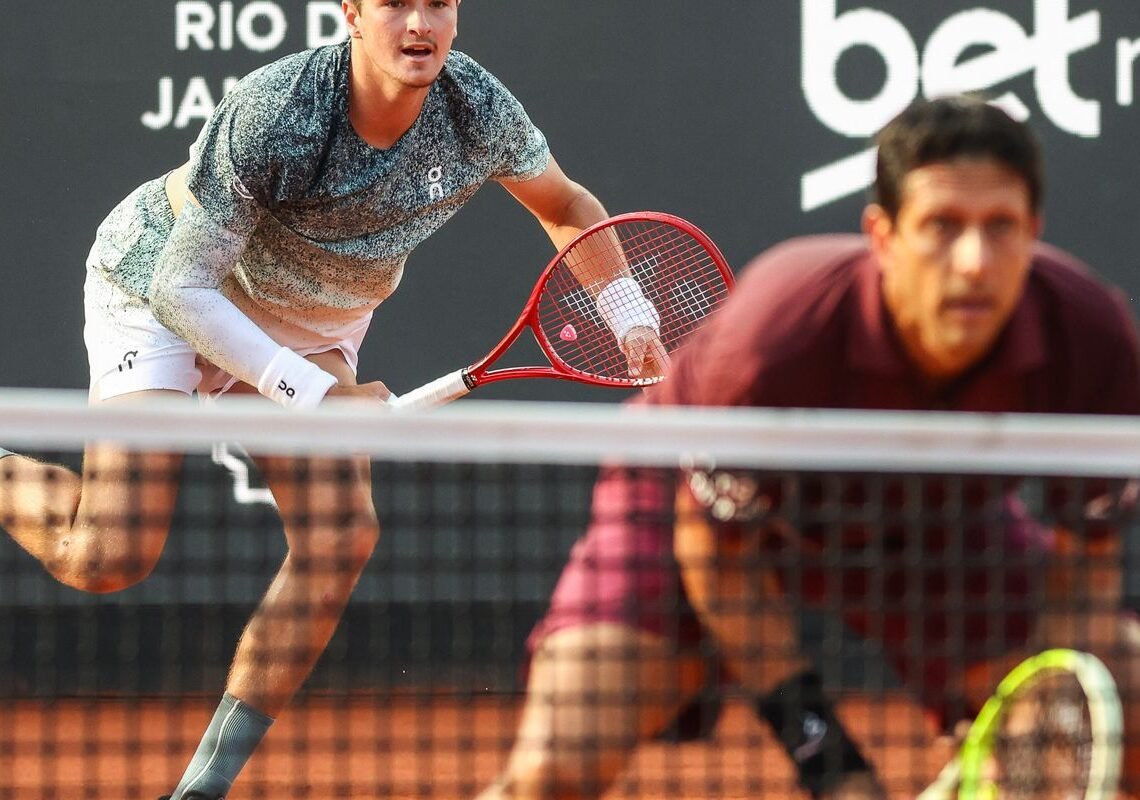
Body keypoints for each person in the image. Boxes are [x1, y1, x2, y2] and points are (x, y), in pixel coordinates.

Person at [0, 2, 667, 799]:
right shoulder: (281, 109)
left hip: (315, 315)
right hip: (165, 287)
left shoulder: (478, 108)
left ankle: (199, 792)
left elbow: (565, 206)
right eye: (394, 4)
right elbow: (182, 288)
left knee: (341, 534)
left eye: (439, 5)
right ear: (351, 12)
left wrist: (631, 320)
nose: (418, 24)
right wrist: (314, 395)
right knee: (107, 557)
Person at [480, 95, 1140, 800]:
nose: (974, 263)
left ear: (1034, 229)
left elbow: (1086, 565)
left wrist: (1057, 695)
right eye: (942, 226)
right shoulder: (776, 342)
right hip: (689, 505)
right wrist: (827, 759)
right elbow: (717, 555)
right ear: (882, 235)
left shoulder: (1090, 338)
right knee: (557, 768)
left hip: (934, 525)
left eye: (1000, 227)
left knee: (1129, 704)